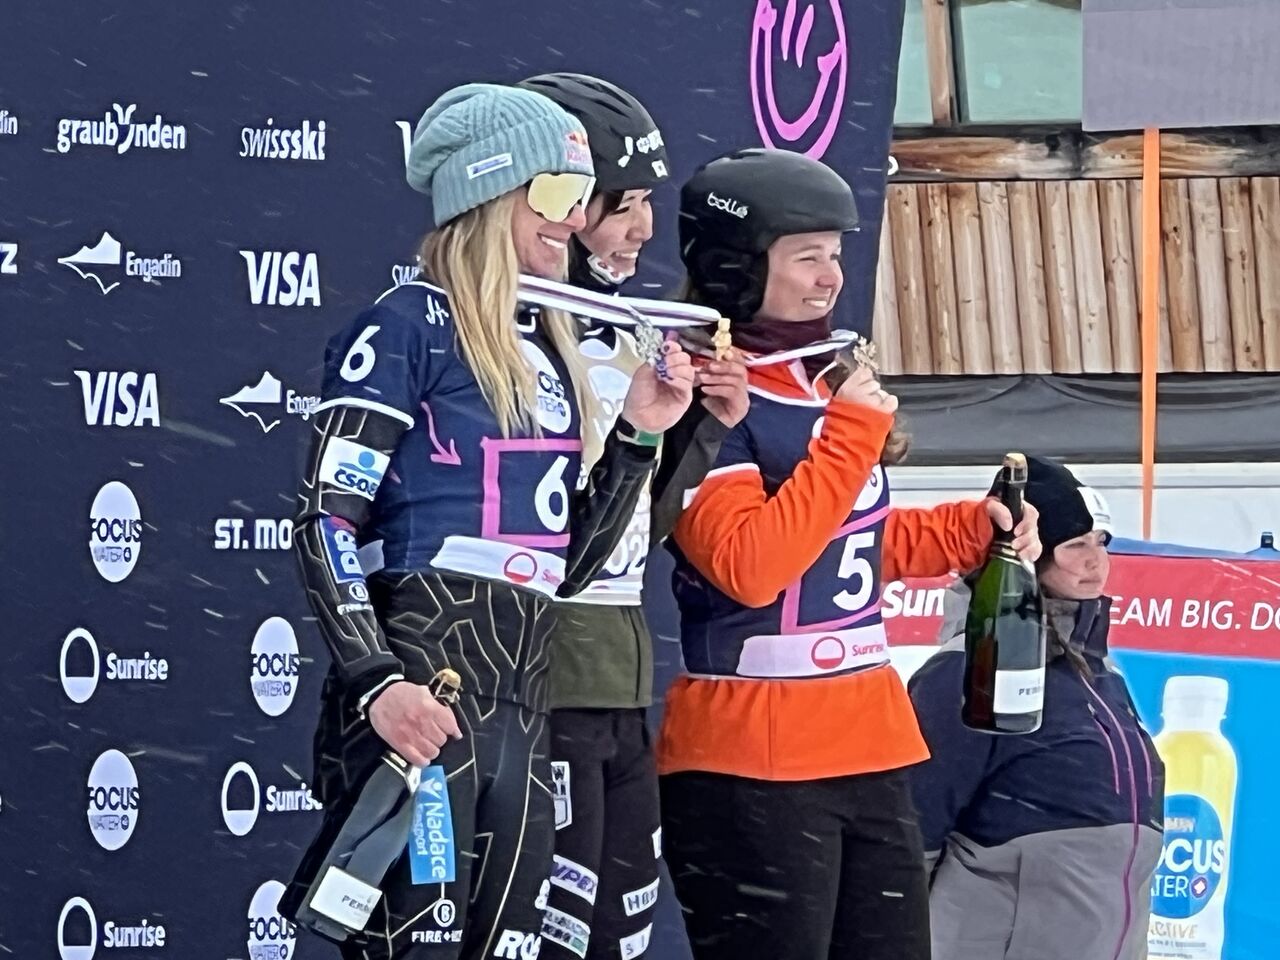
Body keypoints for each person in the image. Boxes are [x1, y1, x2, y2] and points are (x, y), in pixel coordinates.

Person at [279, 83, 695, 960]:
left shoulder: (545, 349)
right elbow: (325, 521)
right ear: (490, 190)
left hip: (521, 707)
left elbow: (567, 566)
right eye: (556, 192)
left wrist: (636, 436)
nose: (574, 218)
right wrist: (378, 682)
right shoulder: (407, 327)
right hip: (423, 690)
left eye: (581, 196)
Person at [655, 147, 1042, 960]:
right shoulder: (702, 394)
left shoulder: (820, 381)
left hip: (867, 738)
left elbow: (849, 544)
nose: (830, 278)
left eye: (835, 255)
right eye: (807, 257)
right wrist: (852, 437)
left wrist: (973, 531)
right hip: (753, 756)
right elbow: (751, 566)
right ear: (736, 268)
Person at [515, 72, 750, 960]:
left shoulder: (626, 331)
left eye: (648, 204)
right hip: (536, 676)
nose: (642, 231)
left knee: (619, 933)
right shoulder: (499, 337)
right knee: (552, 936)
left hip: (618, 672)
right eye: (624, 207)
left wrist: (700, 426)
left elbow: (636, 523)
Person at [908, 457, 1165, 960]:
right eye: (1075, 545)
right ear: (1030, 554)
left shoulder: (1102, 675)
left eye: (1101, 542)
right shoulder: (971, 668)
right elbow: (911, 829)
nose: (1097, 561)